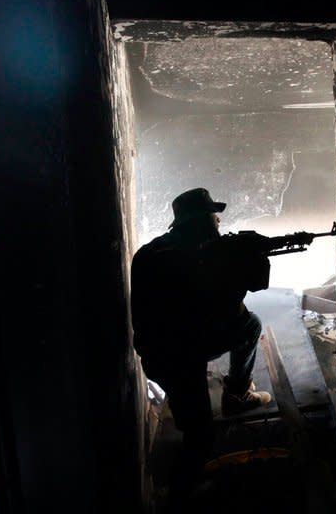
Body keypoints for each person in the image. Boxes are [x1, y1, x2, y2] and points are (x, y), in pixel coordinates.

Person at [129, 187, 273, 506]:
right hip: (180, 356)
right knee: (200, 436)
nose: (217, 221)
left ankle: (237, 392)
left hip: (162, 353)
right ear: (201, 221)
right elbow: (240, 297)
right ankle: (179, 498)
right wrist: (248, 261)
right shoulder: (199, 258)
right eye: (213, 216)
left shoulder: (151, 253)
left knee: (250, 325)